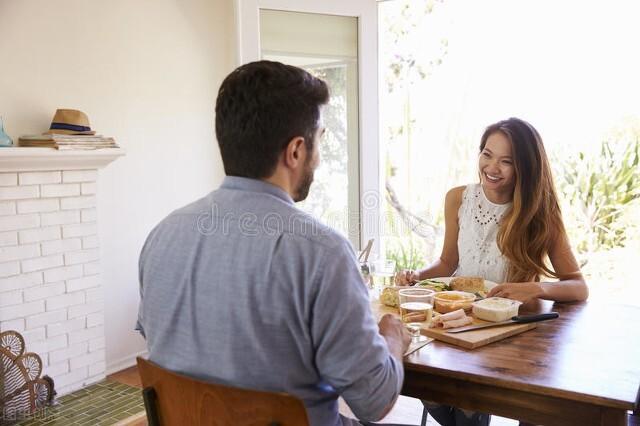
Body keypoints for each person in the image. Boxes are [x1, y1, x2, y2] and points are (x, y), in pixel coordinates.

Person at [136, 60, 410, 426]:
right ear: (295, 151)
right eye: (319, 140)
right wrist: (393, 337)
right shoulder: (322, 253)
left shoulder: (162, 235)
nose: (318, 156)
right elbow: (374, 401)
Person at [396, 117, 588, 426]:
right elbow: (447, 262)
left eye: (506, 161)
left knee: (469, 409)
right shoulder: (458, 198)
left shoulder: (540, 213)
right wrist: (418, 276)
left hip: (506, 334)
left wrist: (536, 288)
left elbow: (578, 286)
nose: (492, 167)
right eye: (487, 154)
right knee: (421, 376)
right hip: (457, 322)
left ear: (524, 167)